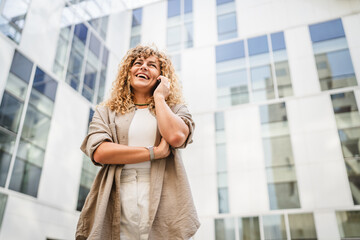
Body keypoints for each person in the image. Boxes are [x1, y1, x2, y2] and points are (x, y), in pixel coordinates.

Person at [76, 45, 200, 240]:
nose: (143, 67)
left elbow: (176, 137)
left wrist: (159, 97)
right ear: (128, 71)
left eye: (151, 65)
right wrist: (154, 153)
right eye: (137, 63)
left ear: (161, 76)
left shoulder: (175, 109)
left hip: (163, 197)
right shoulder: (106, 112)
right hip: (118, 194)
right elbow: (100, 152)